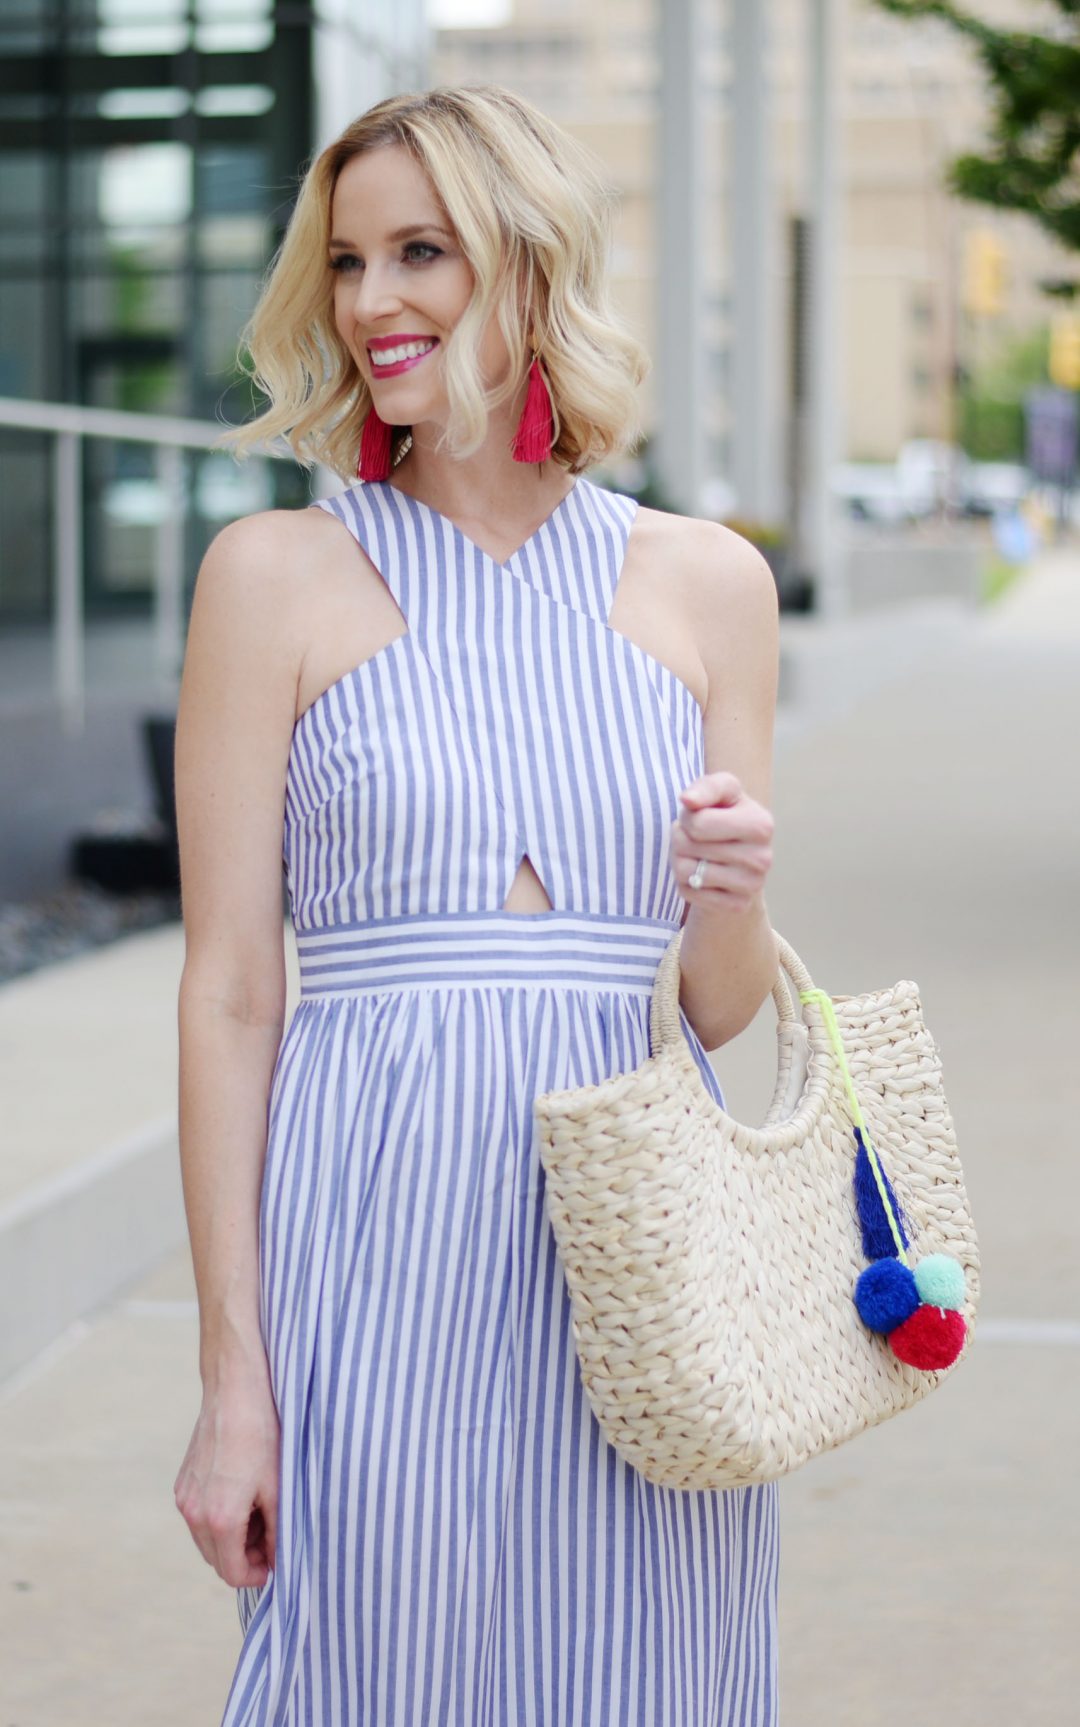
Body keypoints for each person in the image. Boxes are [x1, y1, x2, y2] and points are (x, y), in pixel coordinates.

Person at [172, 84, 781, 1727]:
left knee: (652, 1677)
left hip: (647, 1266)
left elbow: (723, 1010)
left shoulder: (708, 583)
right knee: (370, 1676)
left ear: (528, 264)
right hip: (371, 1245)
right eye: (350, 262)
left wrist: (729, 901)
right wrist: (237, 1378)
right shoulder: (272, 579)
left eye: (421, 251)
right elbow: (232, 991)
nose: (373, 303)